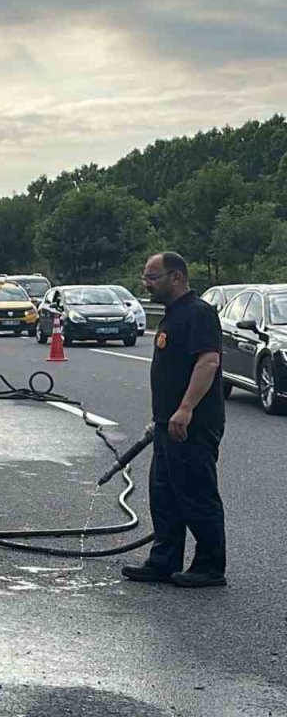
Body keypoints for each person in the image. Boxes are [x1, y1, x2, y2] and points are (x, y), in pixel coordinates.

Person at [122, 252, 227, 588]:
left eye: (152, 276)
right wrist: (162, 419)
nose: (146, 283)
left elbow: (207, 362)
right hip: (169, 424)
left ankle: (210, 567)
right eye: (145, 276)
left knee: (196, 492)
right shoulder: (172, 316)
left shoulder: (198, 313)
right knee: (164, 494)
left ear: (177, 277)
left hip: (193, 423)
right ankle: (163, 561)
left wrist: (185, 408)